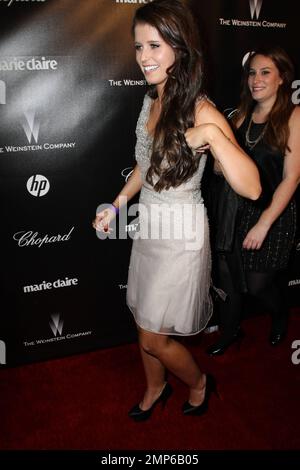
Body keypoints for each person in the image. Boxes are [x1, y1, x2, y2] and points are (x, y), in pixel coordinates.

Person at [93, 0, 261, 420]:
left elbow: (253, 187)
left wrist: (212, 136)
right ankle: (155, 387)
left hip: (181, 233)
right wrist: (116, 205)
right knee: (143, 322)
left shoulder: (200, 108)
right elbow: (145, 165)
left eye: (155, 45)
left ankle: (201, 383)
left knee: (154, 338)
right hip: (150, 223)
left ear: (180, 48)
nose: (144, 58)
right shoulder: (152, 98)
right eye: (138, 47)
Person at [193, 46, 300, 355]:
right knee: (228, 280)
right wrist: (214, 158)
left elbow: (292, 178)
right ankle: (229, 332)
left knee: (257, 284)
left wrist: (264, 224)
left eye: (265, 72)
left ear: (282, 78)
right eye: (252, 72)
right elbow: (221, 168)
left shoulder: (294, 117)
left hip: (273, 214)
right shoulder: (239, 116)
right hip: (234, 213)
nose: (256, 79)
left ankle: (280, 314)